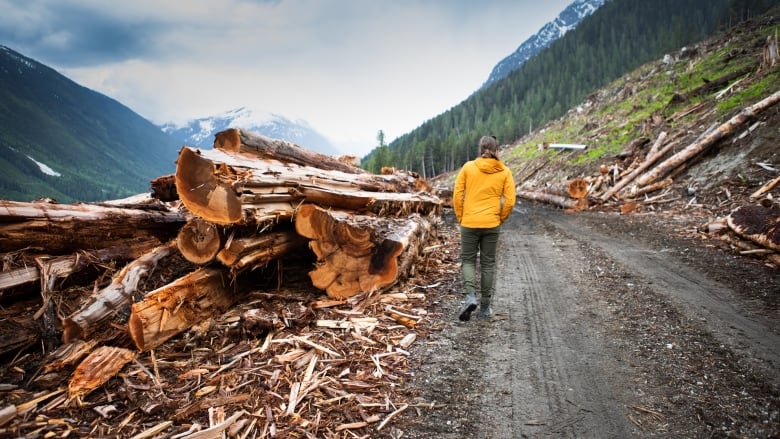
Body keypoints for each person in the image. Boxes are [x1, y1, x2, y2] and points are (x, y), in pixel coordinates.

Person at [452, 135, 516, 321]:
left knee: (468, 260)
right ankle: (485, 308)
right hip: (491, 223)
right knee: (488, 263)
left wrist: (461, 217)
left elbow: (457, 195)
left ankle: (470, 296)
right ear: (497, 150)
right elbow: (510, 201)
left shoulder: (468, 167)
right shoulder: (504, 171)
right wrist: (500, 218)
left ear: (480, 149)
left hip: (469, 222)